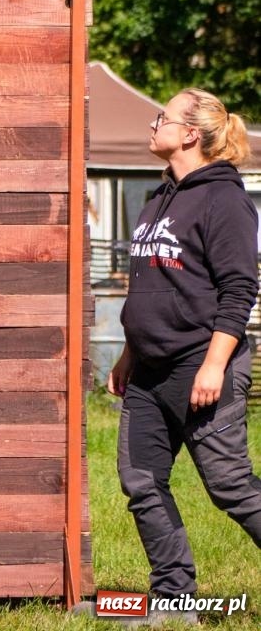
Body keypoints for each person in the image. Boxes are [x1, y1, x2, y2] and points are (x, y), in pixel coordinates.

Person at [107, 88, 261, 618]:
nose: (153, 126)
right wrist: (129, 354)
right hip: (149, 372)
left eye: (162, 118)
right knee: (141, 481)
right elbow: (148, 286)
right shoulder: (157, 199)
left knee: (230, 487)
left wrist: (214, 365)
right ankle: (174, 601)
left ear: (190, 134)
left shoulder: (225, 200)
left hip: (203, 364)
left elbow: (240, 291)